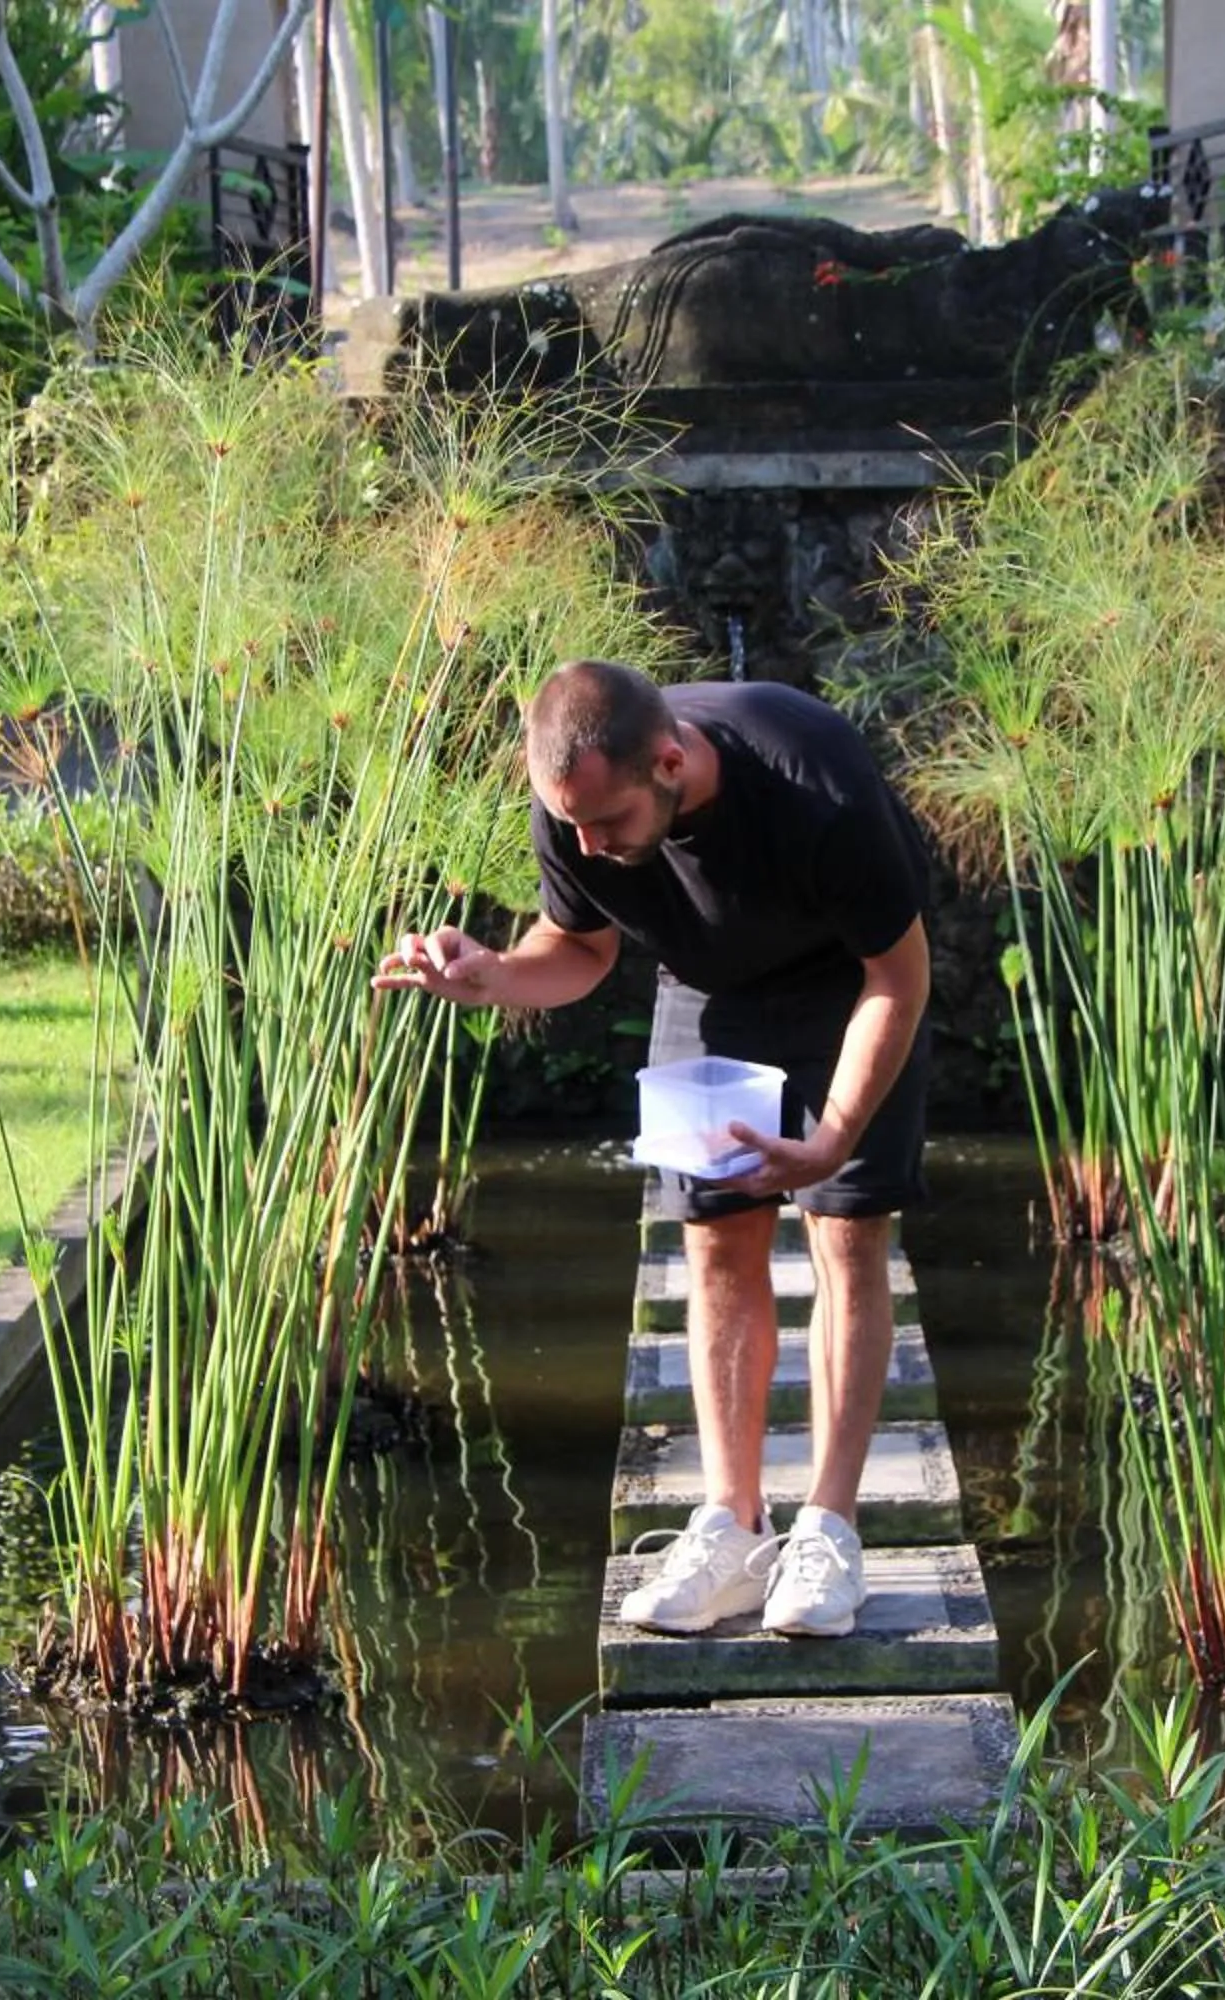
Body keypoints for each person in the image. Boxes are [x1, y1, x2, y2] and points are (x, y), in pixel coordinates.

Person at [372, 659, 932, 1639]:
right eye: (572, 824)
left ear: (669, 761)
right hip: (709, 991)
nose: (589, 845)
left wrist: (835, 1133)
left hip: (849, 987)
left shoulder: (815, 779)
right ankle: (731, 1523)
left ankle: (829, 1531)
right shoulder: (574, 799)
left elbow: (900, 972)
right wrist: (491, 973)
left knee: (845, 1236)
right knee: (715, 1239)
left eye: (609, 824)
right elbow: (581, 950)